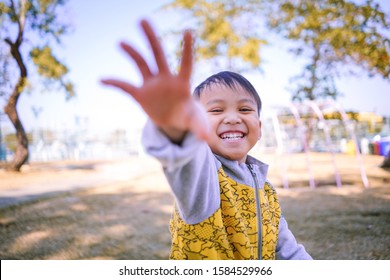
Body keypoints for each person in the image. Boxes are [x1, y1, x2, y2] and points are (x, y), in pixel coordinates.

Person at [102, 19, 312, 260]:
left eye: (244, 110)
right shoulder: (205, 178)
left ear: (260, 127)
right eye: (215, 111)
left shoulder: (267, 190)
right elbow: (185, 156)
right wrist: (174, 124)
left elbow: (286, 249)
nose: (232, 118)